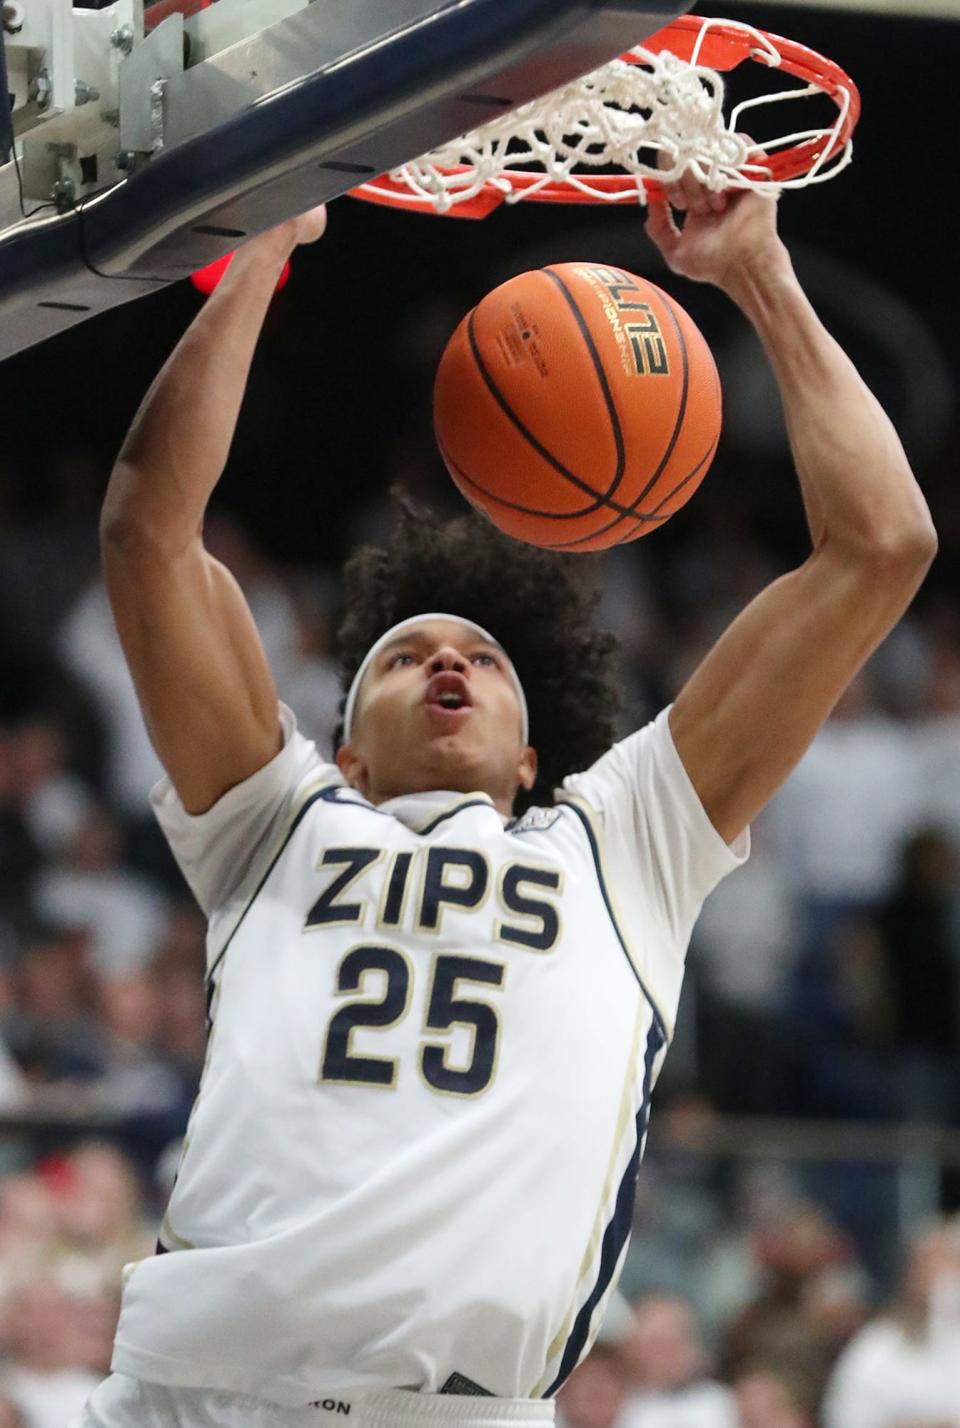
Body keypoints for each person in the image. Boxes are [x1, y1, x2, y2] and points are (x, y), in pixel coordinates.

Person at [75, 155, 936, 1428]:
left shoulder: (624, 845)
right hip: (191, 1395)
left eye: (479, 657)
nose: (447, 662)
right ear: (344, 750)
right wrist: (259, 249)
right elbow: (150, 528)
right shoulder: (273, 822)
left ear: (535, 759)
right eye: (405, 654)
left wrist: (760, 273)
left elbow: (882, 543)